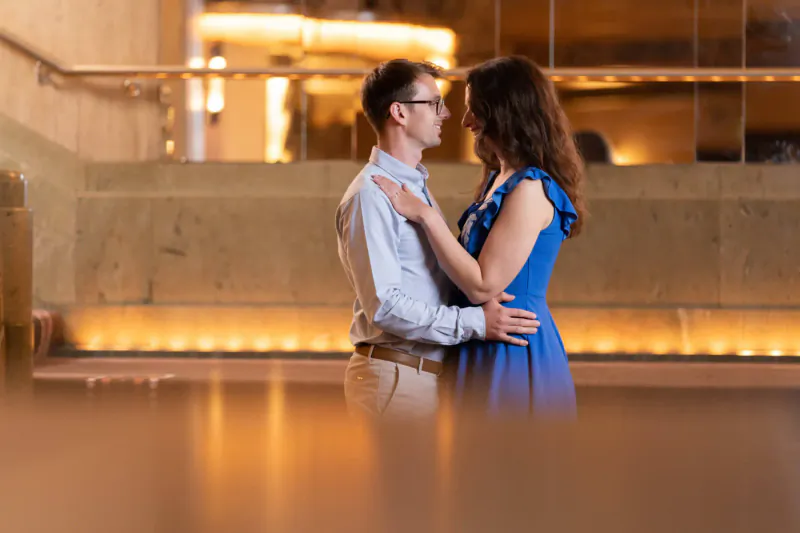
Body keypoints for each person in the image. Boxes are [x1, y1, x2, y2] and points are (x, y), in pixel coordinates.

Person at [372, 56, 588, 416]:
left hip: (512, 348)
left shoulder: (530, 187)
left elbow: (483, 285)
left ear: (505, 112)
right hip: (480, 337)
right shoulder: (498, 179)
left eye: (476, 110)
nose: (466, 121)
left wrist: (425, 215)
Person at [335, 59, 541, 420]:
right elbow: (385, 306)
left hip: (419, 376)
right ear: (398, 112)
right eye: (433, 103)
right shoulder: (371, 195)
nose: (446, 114)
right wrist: (477, 323)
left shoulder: (413, 187)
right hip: (395, 378)